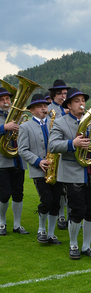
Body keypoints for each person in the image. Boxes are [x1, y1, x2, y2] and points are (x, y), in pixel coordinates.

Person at [48, 88, 91, 259]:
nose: (81, 103)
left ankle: (87, 246)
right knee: (77, 211)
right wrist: (72, 143)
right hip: (72, 172)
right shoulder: (60, 122)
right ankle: (73, 244)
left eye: (83, 100)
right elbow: (52, 146)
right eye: (77, 101)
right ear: (68, 105)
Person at [17, 93, 62, 243]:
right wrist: (38, 161)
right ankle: (41, 229)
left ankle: (51, 233)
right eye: (39, 106)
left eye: (45, 106)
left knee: (56, 202)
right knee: (46, 201)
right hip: (39, 170)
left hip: (56, 168)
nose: (44, 108)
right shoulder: (25, 127)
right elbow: (22, 150)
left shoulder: (55, 123)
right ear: (32, 110)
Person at [0, 86, 28, 236]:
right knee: (4, 194)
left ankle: (17, 225)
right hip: (2, 162)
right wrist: (4, 127)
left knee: (18, 194)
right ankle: (1, 222)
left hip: (18, 160)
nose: (6, 102)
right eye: (3, 99)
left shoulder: (17, 115)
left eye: (8, 99)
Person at [47, 79, 69, 230]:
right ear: (54, 94)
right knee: (58, 188)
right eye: (60, 94)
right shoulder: (49, 108)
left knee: (68, 187)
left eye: (65, 94)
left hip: (68, 151)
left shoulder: (68, 108)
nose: (63, 97)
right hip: (55, 151)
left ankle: (67, 215)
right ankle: (60, 215)